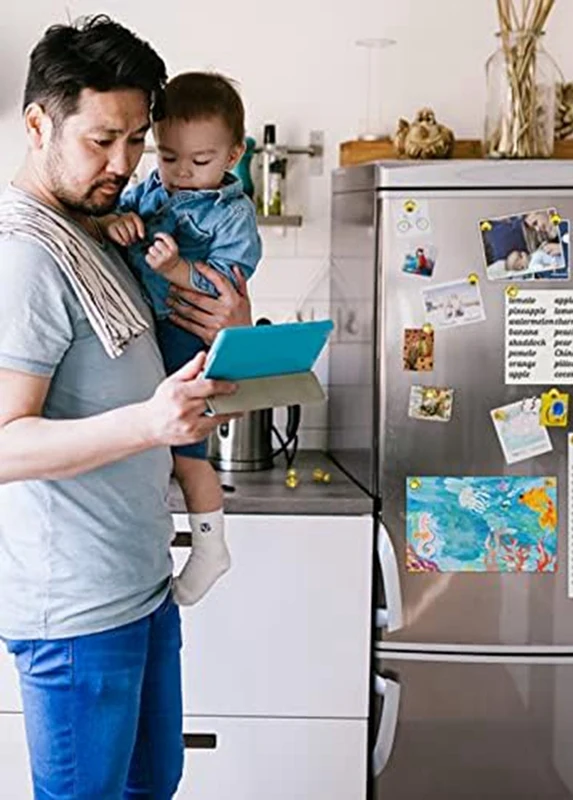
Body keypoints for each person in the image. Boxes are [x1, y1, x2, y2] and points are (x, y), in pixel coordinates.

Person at [0, 15, 251, 799]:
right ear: (39, 124)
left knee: (152, 787)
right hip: (76, 616)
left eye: (137, 139)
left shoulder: (99, 232)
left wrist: (232, 328)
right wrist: (150, 423)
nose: (124, 163)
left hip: (140, 588)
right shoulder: (26, 256)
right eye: (101, 139)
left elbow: (176, 362)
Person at [99, 72, 262, 606]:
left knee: (188, 457)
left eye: (200, 161)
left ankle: (212, 546)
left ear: (235, 153)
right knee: (163, 455)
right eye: (169, 158)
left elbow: (225, 283)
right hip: (150, 328)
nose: (183, 174)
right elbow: (123, 227)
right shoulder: (150, 190)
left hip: (185, 335)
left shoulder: (233, 214)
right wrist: (117, 225)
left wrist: (175, 270)